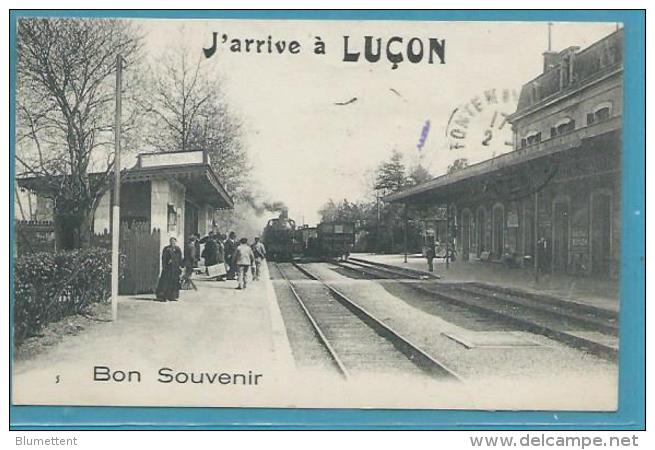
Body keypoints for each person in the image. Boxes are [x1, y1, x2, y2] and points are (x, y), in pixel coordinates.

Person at [156, 237, 183, 301]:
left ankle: (173, 296)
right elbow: (164, 258)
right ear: (169, 242)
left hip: (175, 269)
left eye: (174, 241)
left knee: (174, 283)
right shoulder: (167, 249)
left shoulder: (177, 249)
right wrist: (165, 266)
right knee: (166, 282)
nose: (172, 242)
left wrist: (181, 265)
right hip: (168, 269)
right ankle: (163, 296)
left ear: (175, 242)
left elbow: (180, 258)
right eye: (171, 241)